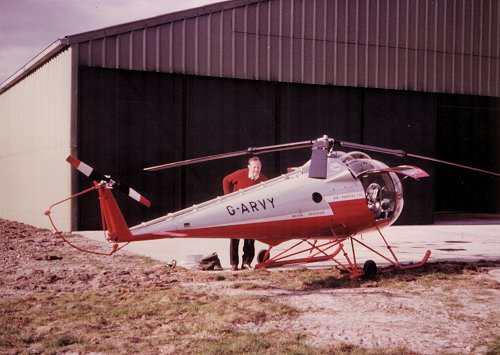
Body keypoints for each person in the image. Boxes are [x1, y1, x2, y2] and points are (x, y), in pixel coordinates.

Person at [222, 156, 267, 271]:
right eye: (254, 167)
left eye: (259, 167)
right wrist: (228, 197)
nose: (256, 169)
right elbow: (226, 180)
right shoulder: (241, 174)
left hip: (251, 211)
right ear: (249, 167)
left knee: (250, 238)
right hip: (237, 208)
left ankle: (246, 263)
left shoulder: (263, 178)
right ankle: (234, 264)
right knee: (235, 237)